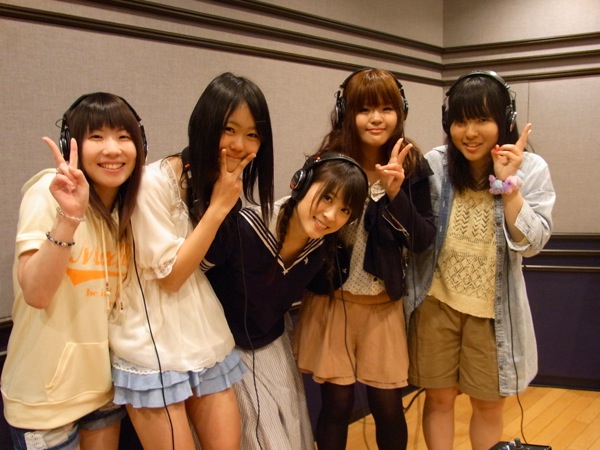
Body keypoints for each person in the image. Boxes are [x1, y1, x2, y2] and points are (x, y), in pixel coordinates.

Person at [108, 72, 274, 450]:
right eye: (229, 129)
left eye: (252, 134)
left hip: (205, 337)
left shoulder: (219, 184)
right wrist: (218, 208)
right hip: (151, 348)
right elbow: (170, 278)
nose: (240, 144)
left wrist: (221, 203)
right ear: (205, 125)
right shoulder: (152, 183)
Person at [405, 70, 556, 450]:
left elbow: (533, 243)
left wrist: (508, 187)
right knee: (438, 399)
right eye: (460, 121)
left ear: (505, 120)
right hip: (436, 304)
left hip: (492, 311)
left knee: (488, 405)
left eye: (482, 120)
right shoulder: (436, 164)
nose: (469, 133)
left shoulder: (531, 168)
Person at [293, 68, 436, 450]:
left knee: (388, 406)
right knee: (336, 404)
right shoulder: (328, 163)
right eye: (365, 109)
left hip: (382, 306)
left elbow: (423, 239)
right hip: (332, 302)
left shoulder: (412, 165)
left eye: (386, 108)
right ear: (347, 113)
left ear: (400, 112)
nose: (376, 118)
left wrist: (396, 194)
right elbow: (302, 225)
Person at [1, 93, 146, 450]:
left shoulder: (124, 212)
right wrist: (69, 216)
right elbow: (36, 293)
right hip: (45, 399)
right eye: (96, 136)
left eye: (123, 136)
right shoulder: (49, 192)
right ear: (72, 144)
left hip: (102, 392)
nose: (112, 148)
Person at [201, 153, 369, 450]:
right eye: (327, 197)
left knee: (295, 428)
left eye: (344, 209)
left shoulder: (321, 249)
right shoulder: (244, 228)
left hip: (273, 338)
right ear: (300, 183)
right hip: (224, 347)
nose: (331, 215)